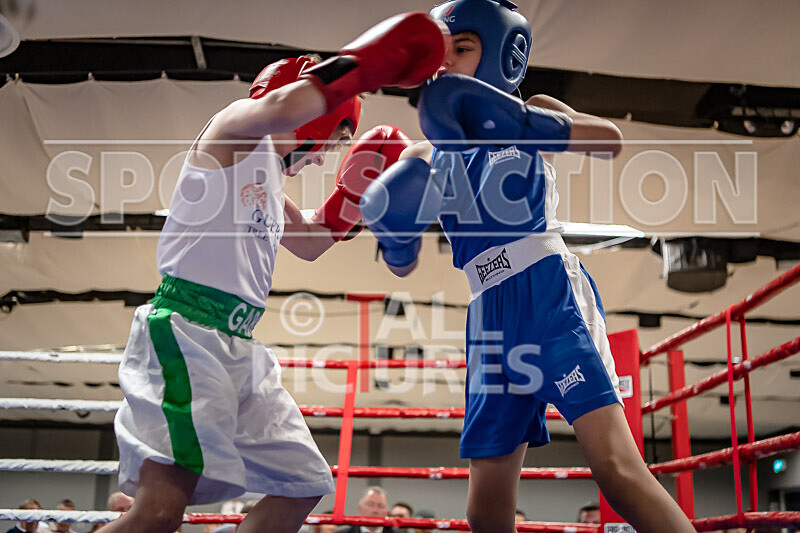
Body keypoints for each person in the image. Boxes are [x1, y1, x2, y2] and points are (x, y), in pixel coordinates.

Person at [360, 1, 698, 532]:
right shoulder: (426, 155)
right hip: (488, 312)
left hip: (546, 289)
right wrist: (394, 233)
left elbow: (609, 141)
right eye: (439, 55)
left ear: (504, 54)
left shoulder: (530, 106)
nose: (446, 64)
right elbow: (402, 267)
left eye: (463, 48)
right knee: (484, 506)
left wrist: (519, 123)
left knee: (615, 468)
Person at [102, 13, 445, 533]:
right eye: (334, 142)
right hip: (185, 330)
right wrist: (371, 65)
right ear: (315, 117)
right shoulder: (234, 129)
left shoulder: (266, 179)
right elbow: (283, 106)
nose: (325, 158)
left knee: (302, 483)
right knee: (161, 510)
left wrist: (356, 200)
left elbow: (310, 242)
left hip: (239, 346)